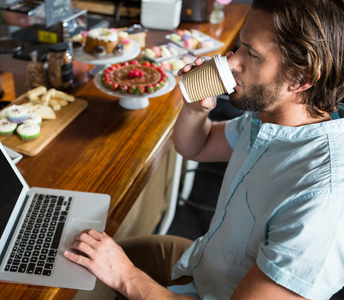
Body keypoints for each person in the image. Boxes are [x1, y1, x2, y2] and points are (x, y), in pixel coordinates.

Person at [64, 0, 344, 298]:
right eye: (240, 45)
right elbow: (196, 147)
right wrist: (196, 109)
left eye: (253, 54)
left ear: (301, 79)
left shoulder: (323, 200)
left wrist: (126, 277)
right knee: (70, 257)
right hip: (201, 267)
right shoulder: (269, 119)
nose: (232, 61)